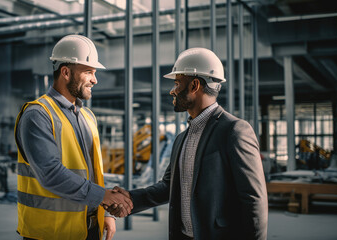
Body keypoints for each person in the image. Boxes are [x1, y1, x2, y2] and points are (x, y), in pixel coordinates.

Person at [110, 48, 268, 239]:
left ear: (194, 86)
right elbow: (169, 186)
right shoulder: (181, 139)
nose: (172, 90)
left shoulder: (234, 131)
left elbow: (253, 200)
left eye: (177, 83)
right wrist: (131, 199)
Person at [15, 35, 133, 240]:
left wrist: (104, 210)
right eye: (88, 72)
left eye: (94, 73)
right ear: (66, 72)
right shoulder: (38, 114)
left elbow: (94, 173)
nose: (95, 80)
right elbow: (50, 173)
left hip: (89, 229)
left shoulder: (88, 117)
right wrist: (103, 195)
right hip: (50, 233)